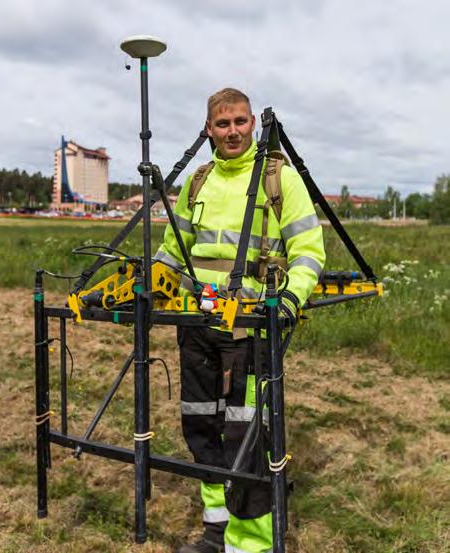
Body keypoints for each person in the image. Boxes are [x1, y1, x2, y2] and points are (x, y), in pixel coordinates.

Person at [154, 88, 326, 553]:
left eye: (240, 122)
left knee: (247, 434)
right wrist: (147, 281)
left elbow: (310, 253)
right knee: (201, 424)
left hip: (251, 329)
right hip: (196, 326)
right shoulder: (197, 181)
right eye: (222, 124)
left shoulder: (278, 179)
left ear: (253, 124)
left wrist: (288, 302)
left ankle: (248, 544)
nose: (232, 131)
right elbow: (174, 250)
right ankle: (216, 527)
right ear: (208, 129)